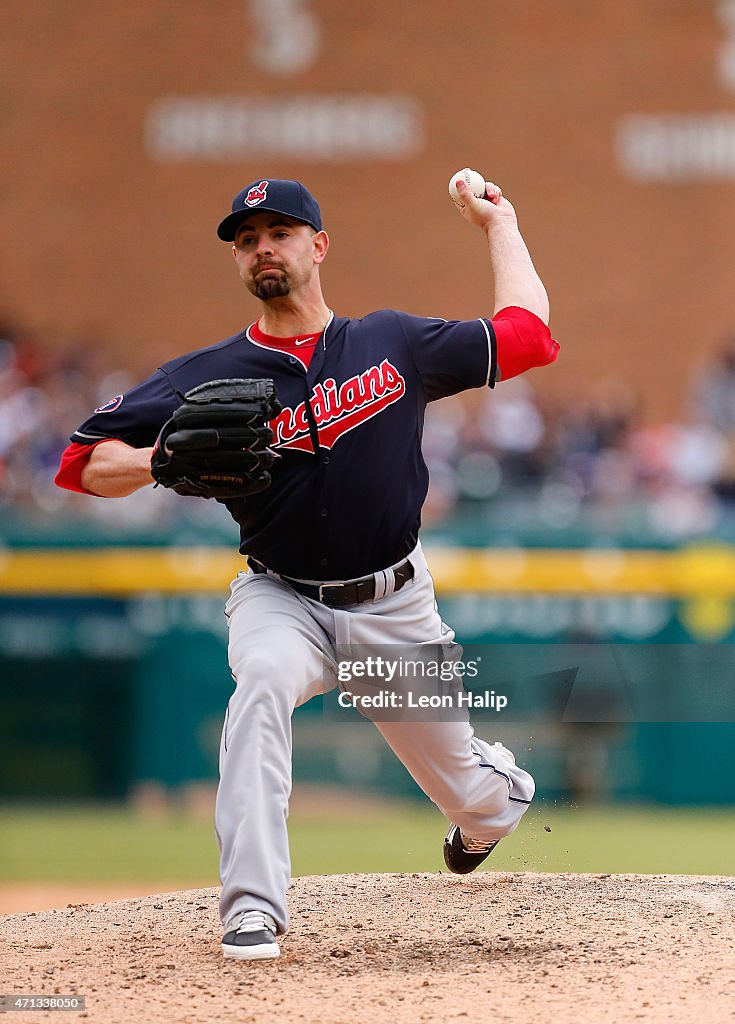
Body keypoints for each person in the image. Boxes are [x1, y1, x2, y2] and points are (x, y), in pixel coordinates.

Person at [55, 175, 559, 961]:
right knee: (259, 682)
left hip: (390, 607)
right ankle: (251, 908)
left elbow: (527, 336)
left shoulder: (390, 342)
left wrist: (502, 224)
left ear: (316, 247)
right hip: (278, 595)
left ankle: (493, 797)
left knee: (477, 803)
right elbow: (83, 463)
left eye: (279, 232)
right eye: (246, 238)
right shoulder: (204, 375)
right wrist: (159, 460)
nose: (262, 247)